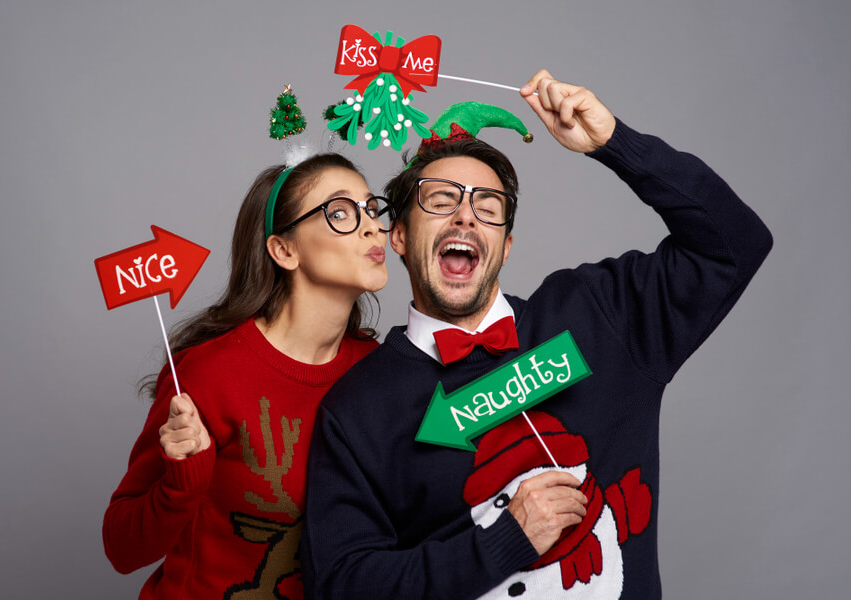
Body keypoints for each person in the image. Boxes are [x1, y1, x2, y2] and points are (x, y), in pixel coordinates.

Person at [300, 71, 773, 599]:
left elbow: (736, 242)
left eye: (488, 206)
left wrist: (615, 143)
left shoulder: (601, 314)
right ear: (401, 237)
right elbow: (340, 587)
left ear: (505, 246)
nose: (464, 217)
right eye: (439, 200)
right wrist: (504, 540)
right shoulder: (358, 408)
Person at [103, 152, 393, 599]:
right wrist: (183, 480)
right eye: (340, 212)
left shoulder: (381, 371)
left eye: (372, 209)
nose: (372, 226)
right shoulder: (208, 373)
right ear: (284, 250)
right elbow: (122, 548)